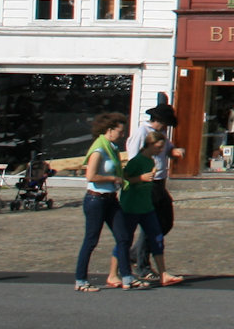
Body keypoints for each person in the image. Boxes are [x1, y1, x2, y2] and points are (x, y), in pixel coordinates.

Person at [125, 104, 182, 280]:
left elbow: (168, 149)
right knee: (150, 225)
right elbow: (133, 158)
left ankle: (135, 253)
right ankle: (142, 265)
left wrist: (175, 151)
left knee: (165, 222)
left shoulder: (161, 135)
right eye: (165, 123)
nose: (166, 127)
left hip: (160, 183)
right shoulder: (142, 133)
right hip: (147, 183)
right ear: (159, 120)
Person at [114, 131, 176, 289]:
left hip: (146, 205)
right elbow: (124, 180)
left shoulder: (150, 161)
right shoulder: (137, 161)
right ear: (149, 145)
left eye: (162, 148)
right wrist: (140, 179)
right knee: (124, 240)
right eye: (158, 147)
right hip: (132, 206)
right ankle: (113, 273)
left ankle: (163, 274)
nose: (160, 151)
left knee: (157, 237)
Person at [74, 113, 126, 292]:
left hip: (111, 198)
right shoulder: (99, 149)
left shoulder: (112, 148)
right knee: (91, 240)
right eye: (120, 131)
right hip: (96, 199)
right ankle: (81, 280)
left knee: (123, 236)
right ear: (109, 130)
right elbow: (91, 176)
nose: (122, 134)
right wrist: (113, 178)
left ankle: (126, 275)